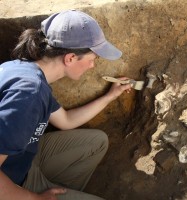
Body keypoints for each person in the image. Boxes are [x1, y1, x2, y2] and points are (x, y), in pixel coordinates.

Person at [0, 10, 131, 200]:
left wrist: (111, 96)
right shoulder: (30, 93)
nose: (92, 66)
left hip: (23, 160)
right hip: (11, 182)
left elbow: (66, 121)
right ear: (70, 58)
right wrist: (34, 198)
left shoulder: (22, 70)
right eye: (92, 59)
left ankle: (57, 192)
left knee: (96, 142)